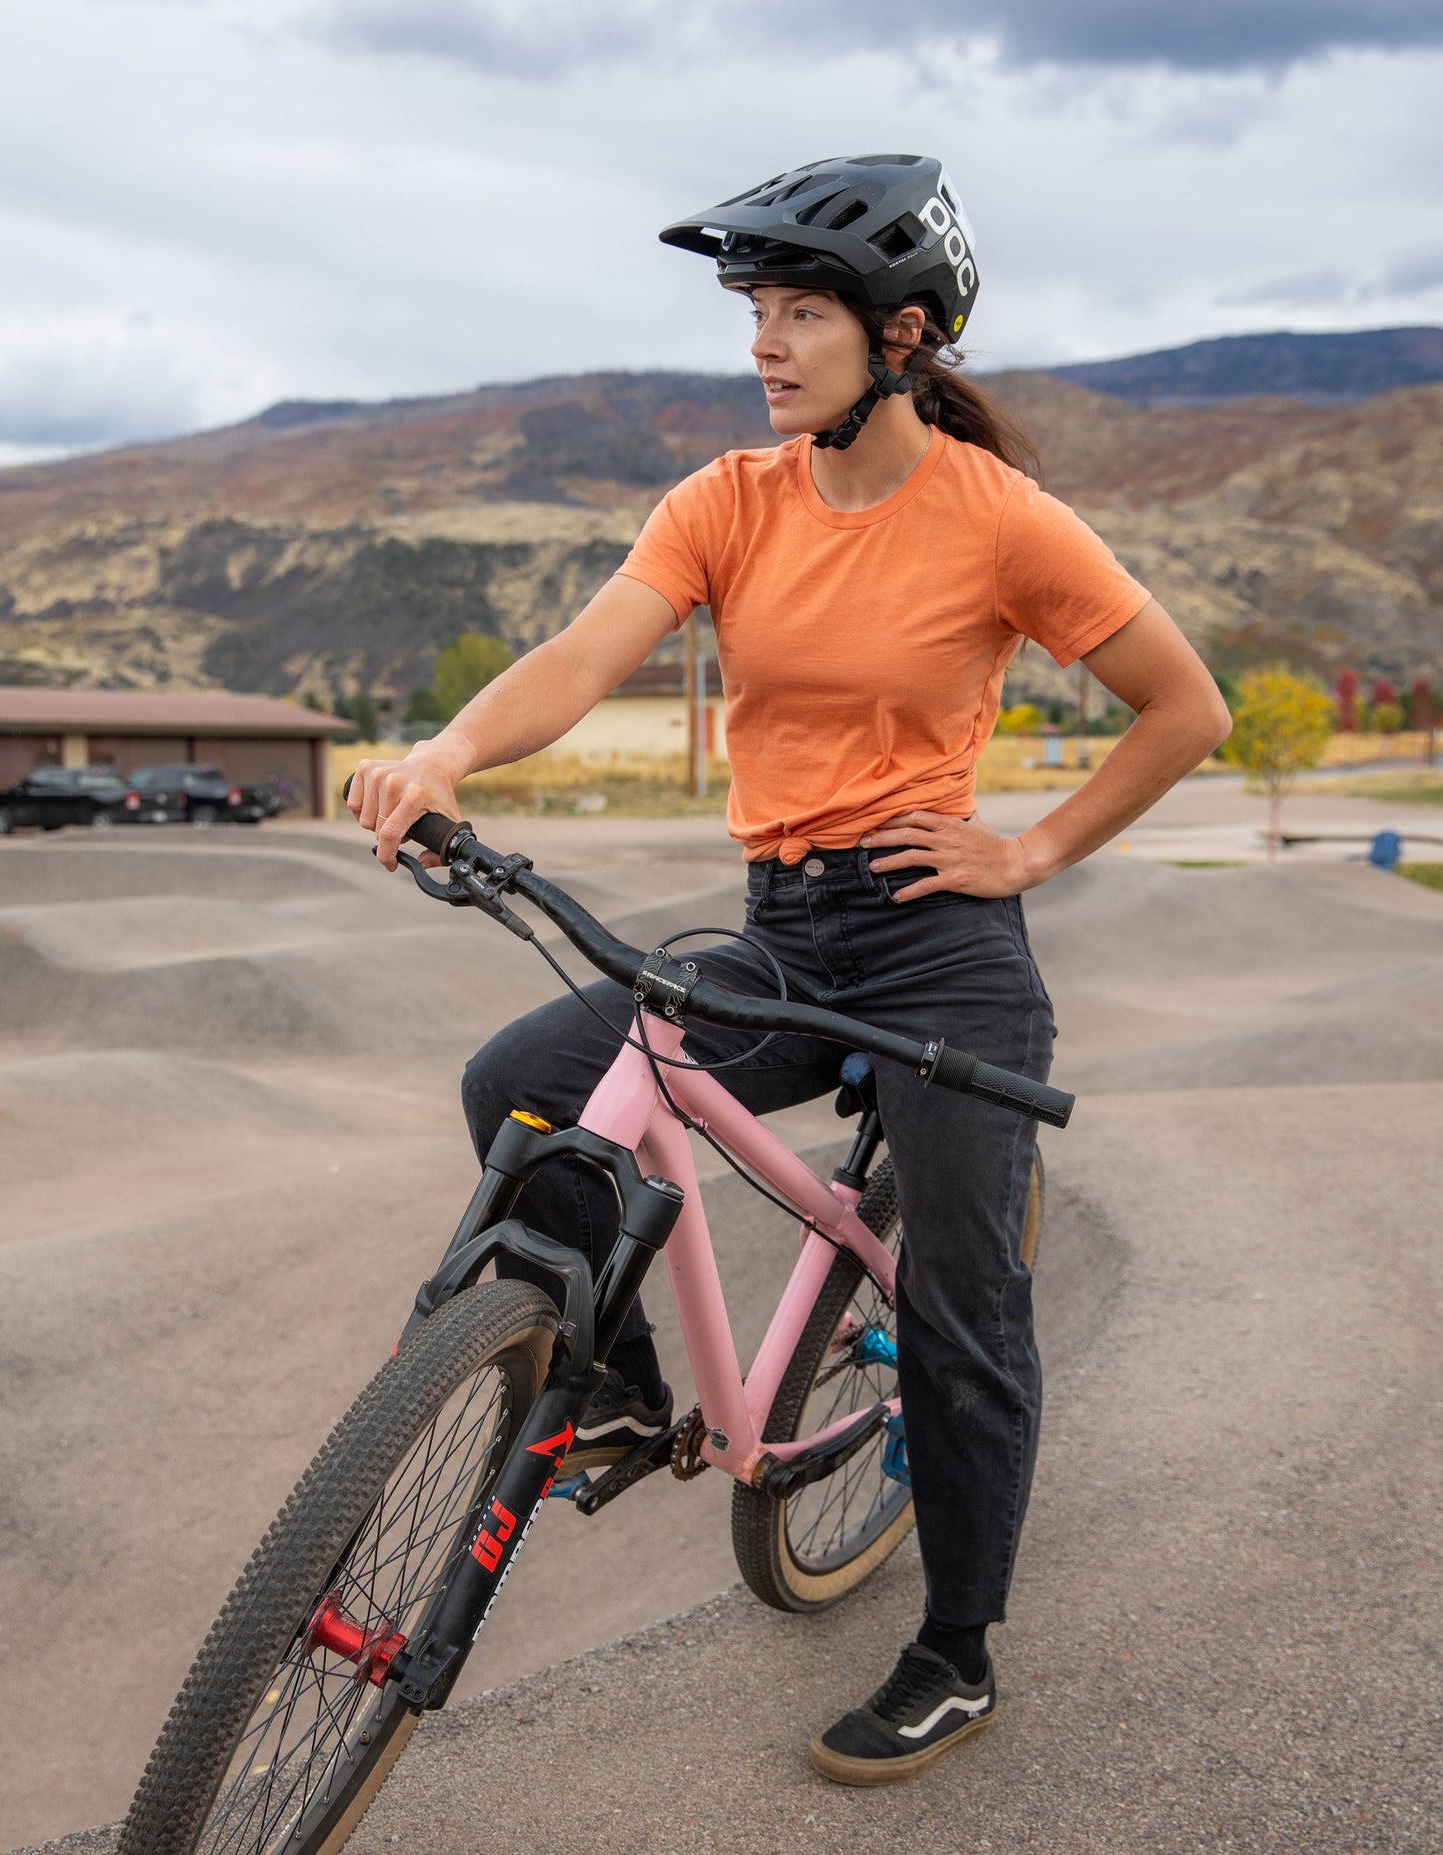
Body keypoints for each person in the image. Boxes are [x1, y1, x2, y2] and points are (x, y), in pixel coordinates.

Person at [347, 154, 1230, 1786]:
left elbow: (1189, 708)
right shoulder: (725, 500)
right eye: (758, 313)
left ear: (900, 335)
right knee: (524, 1084)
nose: (766, 345)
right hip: (782, 925)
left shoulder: (1000, 518)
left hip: (941, 949)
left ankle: (956, 1651)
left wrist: (1026, 852)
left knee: (968, 1315)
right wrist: (453, 749)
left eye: (801, 314)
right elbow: (586, 654)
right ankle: (615, 1395)